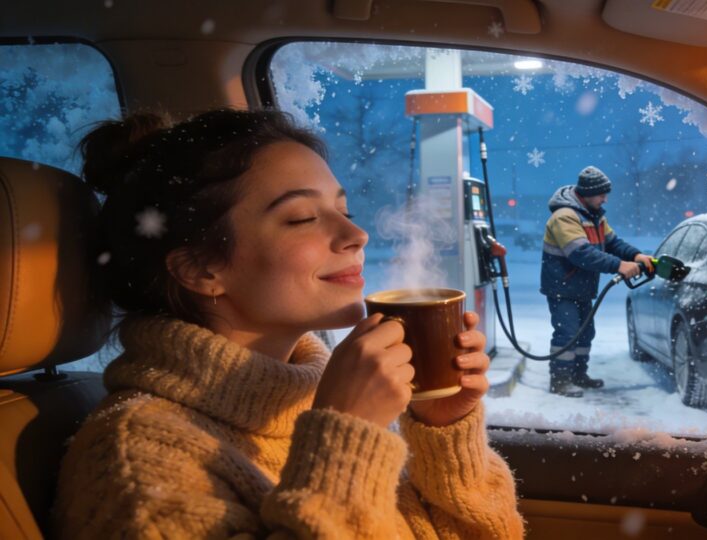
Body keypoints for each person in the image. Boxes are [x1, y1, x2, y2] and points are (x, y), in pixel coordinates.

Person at [54, 109, 525, 539]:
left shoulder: (309, 408)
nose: (356, 236)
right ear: (200, 269)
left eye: (345, 211)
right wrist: (345, 435)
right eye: (302, 218)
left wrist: (444, 434)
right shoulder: (138, 462)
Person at [540, 166, 654, 397]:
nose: (605, 199)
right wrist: (619, 265)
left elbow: (613, 243)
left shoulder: (595, 216)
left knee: (585, 333)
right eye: (602, 194)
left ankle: (578, 375)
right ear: (588, 193)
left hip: (581, 288)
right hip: (562, 287)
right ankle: (560, 381)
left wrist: (635, 255)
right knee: (567, 333)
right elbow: (580, 253)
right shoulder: (565, 216)